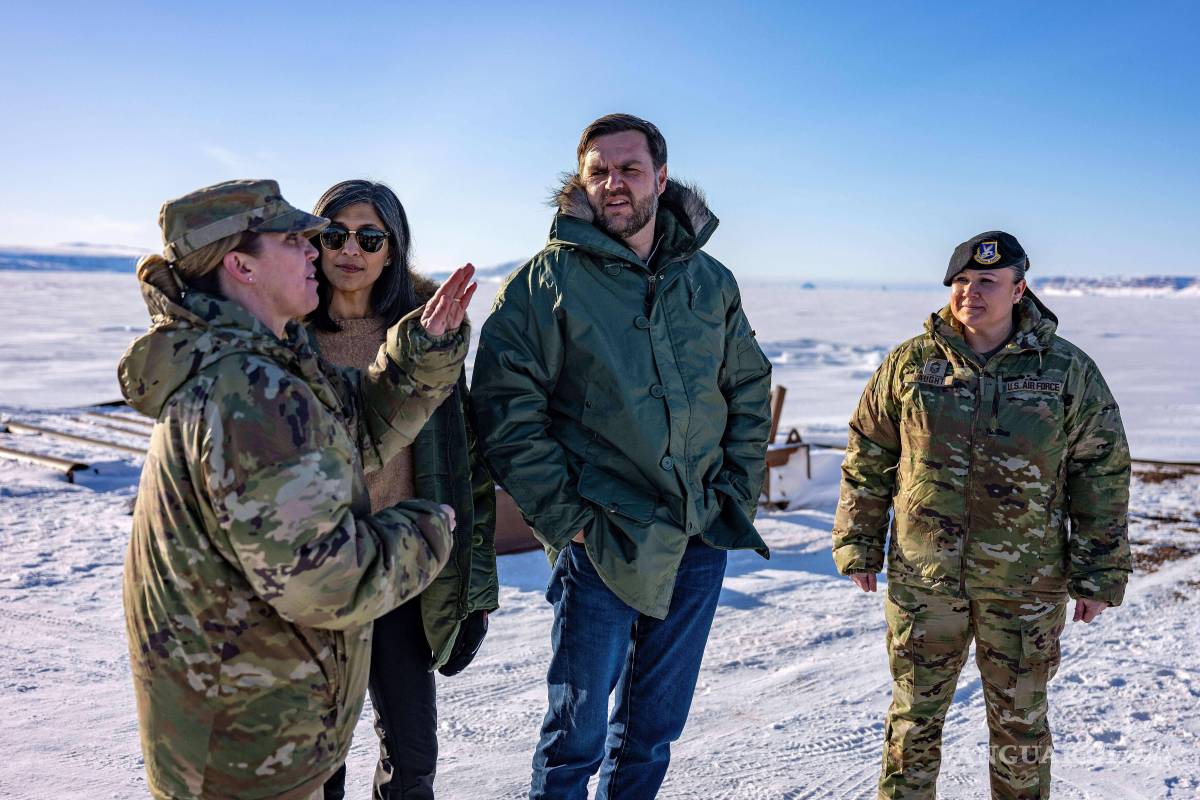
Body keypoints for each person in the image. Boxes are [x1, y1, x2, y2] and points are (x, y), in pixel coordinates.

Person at [119, 178, 477, 800]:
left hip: (258, 715)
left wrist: (420, 354)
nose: (319, 250)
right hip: (249, 742)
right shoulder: (248, 392)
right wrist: (425, 532)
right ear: (241, 266)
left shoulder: (263, 363)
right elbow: (324, 581)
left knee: (409, 751)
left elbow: (356, 427)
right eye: (297, 240)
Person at [471, 113, 774, 799]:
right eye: (599, 171)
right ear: (580, 181)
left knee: (652, 731)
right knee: (573, 740)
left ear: (660, 179)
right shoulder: (544, 283)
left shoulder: (709, 281)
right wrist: (567, 518)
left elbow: (748, 387)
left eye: (629, 169)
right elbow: (505, 411)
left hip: (698, 532)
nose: (614, 183)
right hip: (603, 538)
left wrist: (734, 491)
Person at [832, 231, 1132, 799]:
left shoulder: (1065, 370)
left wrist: (1100, 571)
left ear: (1019, 290)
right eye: (962, 281)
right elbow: (869, 453)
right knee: (913, 720)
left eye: (987, 281)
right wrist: (858, 541)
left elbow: (1102, 472)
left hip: (1026, 585)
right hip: (925, 580)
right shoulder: (911, 364)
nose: (970, 292)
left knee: (1020, 726)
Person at [308, 179, 498, 800]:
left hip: (401, 567)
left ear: (392, 248)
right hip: (315, 575)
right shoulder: (288, 336)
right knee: (316, 761)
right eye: (335, 235)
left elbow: (464, 464)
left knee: (412, 756)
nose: (350, 250)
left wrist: (474, 586)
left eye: (369, 237)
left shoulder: (426, 337)